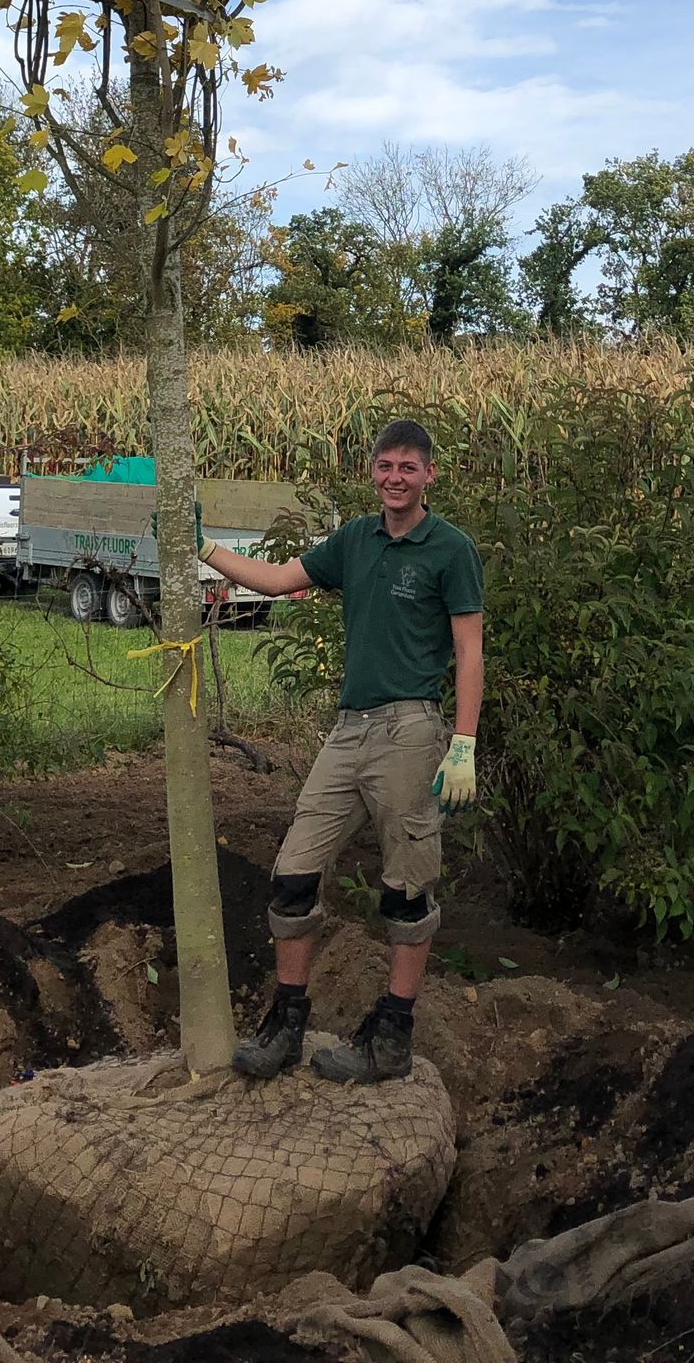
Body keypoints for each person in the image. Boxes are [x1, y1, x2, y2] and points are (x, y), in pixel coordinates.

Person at [199, 418, 483, 1085]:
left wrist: (463, 743)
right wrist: (203, 547)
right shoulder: (356, 539)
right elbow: (274, 580)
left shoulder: (451, 549)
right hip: (349, 732)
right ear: (373, 471)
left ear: (429, 475)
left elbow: (469, 650)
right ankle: (286, 1026)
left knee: (406, 889)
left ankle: (392, 1038)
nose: (395, 478)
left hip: (412, 733)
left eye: (408, 468)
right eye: (386, 466)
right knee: (292, 875)